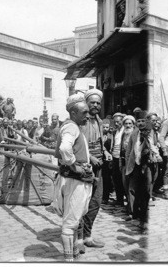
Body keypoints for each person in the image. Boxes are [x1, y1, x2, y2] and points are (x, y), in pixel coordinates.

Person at [51, 94, 94, 261]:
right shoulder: (72, 127)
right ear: (74, 113)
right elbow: (64, 148)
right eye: (84, 112)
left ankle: (73, 254)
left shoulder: (73, 126)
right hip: (74, 180)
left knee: (74, 218)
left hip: (76, 179)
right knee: (70, 223)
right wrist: (75, 165)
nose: (87, 115)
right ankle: (69, 260)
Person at [79, 89, 112, 249]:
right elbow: (76, 144)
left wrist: (105, 152)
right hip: (83, 165)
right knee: (81, 201)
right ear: (86, 103)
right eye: (92, 102)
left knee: (96, 201)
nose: (95, 105)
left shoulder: (99, 121)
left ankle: (87, 236)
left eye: (98, 103)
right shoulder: (79, 121)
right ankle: (77, 239)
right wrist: (90, 157)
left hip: (99, 164)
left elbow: (99, 141)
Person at [125, 110, 155, 231]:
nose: (141, 123)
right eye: (139, 121)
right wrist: (128, 163)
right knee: (132, 189)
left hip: (146, 166)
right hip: (135, 165)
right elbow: (129, 150)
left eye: (143, 121)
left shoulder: (150, 133)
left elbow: (154, 147)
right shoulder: (133, 133)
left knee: (145, 191)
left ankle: (144, 217)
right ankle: (132, 213)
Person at [110, 113, 126, 207]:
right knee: (116, 179)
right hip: (114, 157)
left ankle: (124, 200)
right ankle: (119, 200)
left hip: (121, 158)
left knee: (122, 179)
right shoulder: (115, 131)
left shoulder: (125, 131)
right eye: (115, 122)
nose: (116, 124)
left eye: (118, 122)